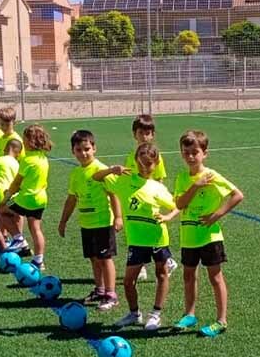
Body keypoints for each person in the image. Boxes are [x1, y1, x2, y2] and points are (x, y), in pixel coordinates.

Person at [92, 142, 181, 330]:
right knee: (128, 281)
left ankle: (155, 314)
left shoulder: (157, 187)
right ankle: (134, 313)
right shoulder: (125, 180)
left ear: (155, 165)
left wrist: (167, 217)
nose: (144, 167)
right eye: (140, 163)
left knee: (161, 274)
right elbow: (96, 177)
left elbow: (176, 207)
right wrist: (110, 170)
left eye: (148, 164)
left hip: (157, 238)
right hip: (136, 240)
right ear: (135, 162)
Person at [173, 130, 244, 338]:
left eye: (195, 152)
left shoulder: (211, 176)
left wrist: (217, 214)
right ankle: (189, 314)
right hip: (189, 235)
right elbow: (179, 204)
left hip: (209, 236)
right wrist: (195, 186)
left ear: (205, 153)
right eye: (186, 152)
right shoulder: (182, 178)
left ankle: (221, 320)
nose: (191, 156)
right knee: (188, 275)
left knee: (215, 276)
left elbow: (237, 195)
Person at [58, 129, 123, 310]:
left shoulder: (101, 169)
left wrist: (118, 217)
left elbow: (113, 195)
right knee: (94, 258)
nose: (83, 153)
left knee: (105, 258)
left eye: (87, 149)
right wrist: (63, 221)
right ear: (73, 152)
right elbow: (71, 199)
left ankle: (111, 294)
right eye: (79, 150)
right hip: (86, 223)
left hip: (102, 222)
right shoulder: (76, 174)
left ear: (94, 148)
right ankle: (100, 289)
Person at [125, 114, 178, 279]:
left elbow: (159, 179)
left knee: (154, 231)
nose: (144, 137)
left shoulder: (156, 156)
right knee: (135, 230)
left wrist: (158, 198)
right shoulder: (131, 156)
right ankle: (140, 266)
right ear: (135, 134)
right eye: (141, 133)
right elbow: (127, 178)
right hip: (135, 197)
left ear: (152, 135)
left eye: (148, 133)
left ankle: (166, 260)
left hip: (151, 199)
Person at [0, 124, 53, 270]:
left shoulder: (28, 160)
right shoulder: (43, 158)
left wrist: (6, 197)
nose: (22, 143)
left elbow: (17, 183)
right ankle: (39, 261)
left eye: (24, 140)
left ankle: (18, 239)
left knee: (2, 211)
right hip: (40, 199)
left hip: (26, 198)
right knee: (36, 229)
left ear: (30, 142)